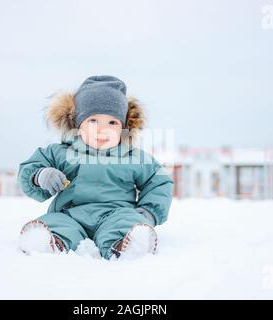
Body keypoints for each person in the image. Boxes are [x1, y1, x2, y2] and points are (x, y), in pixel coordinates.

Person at [18, 75, 174, 260]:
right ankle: (50, 241)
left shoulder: (133, 157)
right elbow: (31, 167)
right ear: (77, 124)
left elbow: (158, 182)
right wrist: (41, 175)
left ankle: (127, 244)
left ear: (124, 127)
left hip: (116, 213)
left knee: (126, 223)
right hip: (70, 214)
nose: (102, 129)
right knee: (55, 223)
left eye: (112, 122)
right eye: (93, 121)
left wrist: (149, 212)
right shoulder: (61, 152)